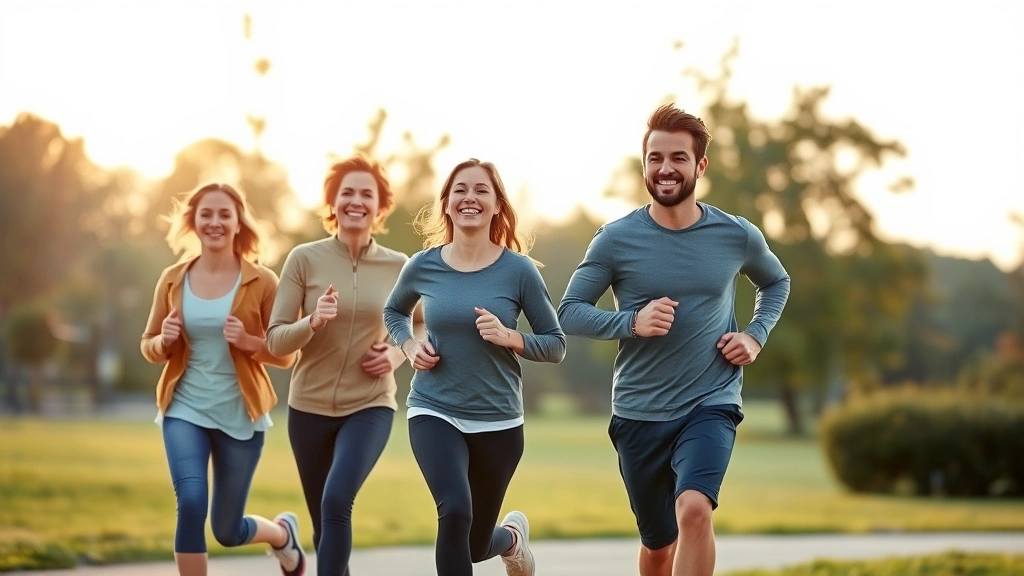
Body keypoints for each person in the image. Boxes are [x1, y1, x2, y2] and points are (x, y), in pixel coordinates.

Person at [557, 104, 791, 576]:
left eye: (678, 158)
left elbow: (776, 282)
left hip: (711, 401)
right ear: (644, 165)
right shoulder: (615, 239)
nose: (666, 168)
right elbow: (569, 312)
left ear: (700, 166)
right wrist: (631, 322)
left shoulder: (735, 234)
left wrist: (755, 335)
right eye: (656, 158)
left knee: (695, 511)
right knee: (659, 547)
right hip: (639, 411)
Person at [383, 158, 566, 576]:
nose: (470, 198)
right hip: (434, 408)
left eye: (481, 190)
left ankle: (511, 541)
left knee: (474, 544)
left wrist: (510, 337)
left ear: (497, 205)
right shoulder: (423, 264)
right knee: (454, 511)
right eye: (460, 190)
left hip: (498, 419)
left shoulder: (518, 270)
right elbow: (394, 311)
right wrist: (409, 345)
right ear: (446, 204)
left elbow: (556, 345)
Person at [266, 154, 422, 576]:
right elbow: (275, 338)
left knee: (336, 501)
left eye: (366, 194)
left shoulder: (399, 266)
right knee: (325, 523)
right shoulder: (304, 259)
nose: (356, 201)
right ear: (332, 202)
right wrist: (312, 321)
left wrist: (398, 353)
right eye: (346, 192)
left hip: (370, 405)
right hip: (308, 407)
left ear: (380, 206)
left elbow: (425, 324)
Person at [140, 182, 306, 576]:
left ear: (238, 223)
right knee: (191, 502)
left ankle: (282, 534)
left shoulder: (262, 281)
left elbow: (288, 353)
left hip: (240, 415)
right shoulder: (172, 278)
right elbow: (148, 344)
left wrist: (250, 342)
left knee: (227, 531)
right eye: (206, 214)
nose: (215, 222)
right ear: (193, 222)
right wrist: (163, 341)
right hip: (184, 408)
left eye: (224, 214)